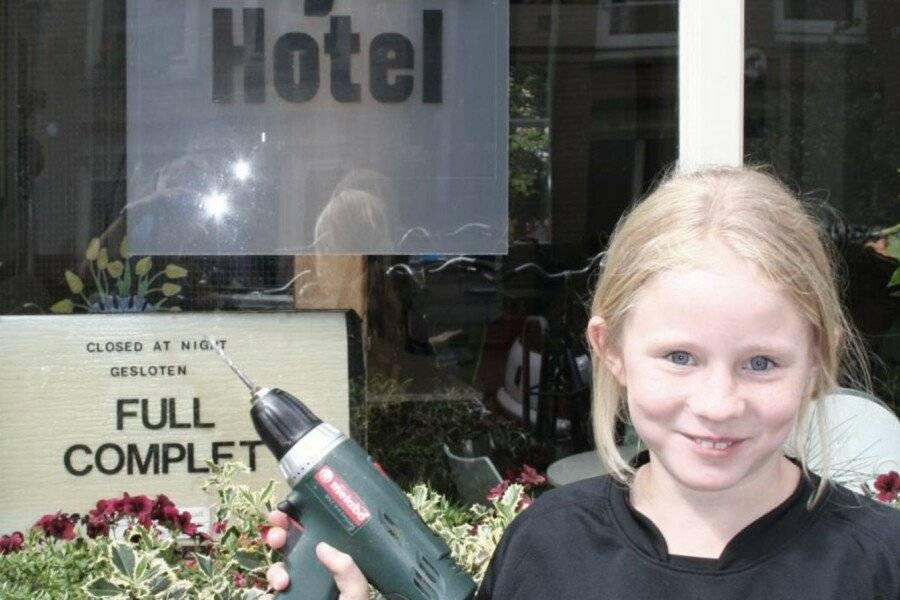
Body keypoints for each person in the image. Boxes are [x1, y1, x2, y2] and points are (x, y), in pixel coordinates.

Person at [263, 166, 900, 599]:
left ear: (819, 358)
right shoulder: (549, 548)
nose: (718, 403)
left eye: (760, 363)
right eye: (679, 357)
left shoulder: (879, 563)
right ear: (612, 351)